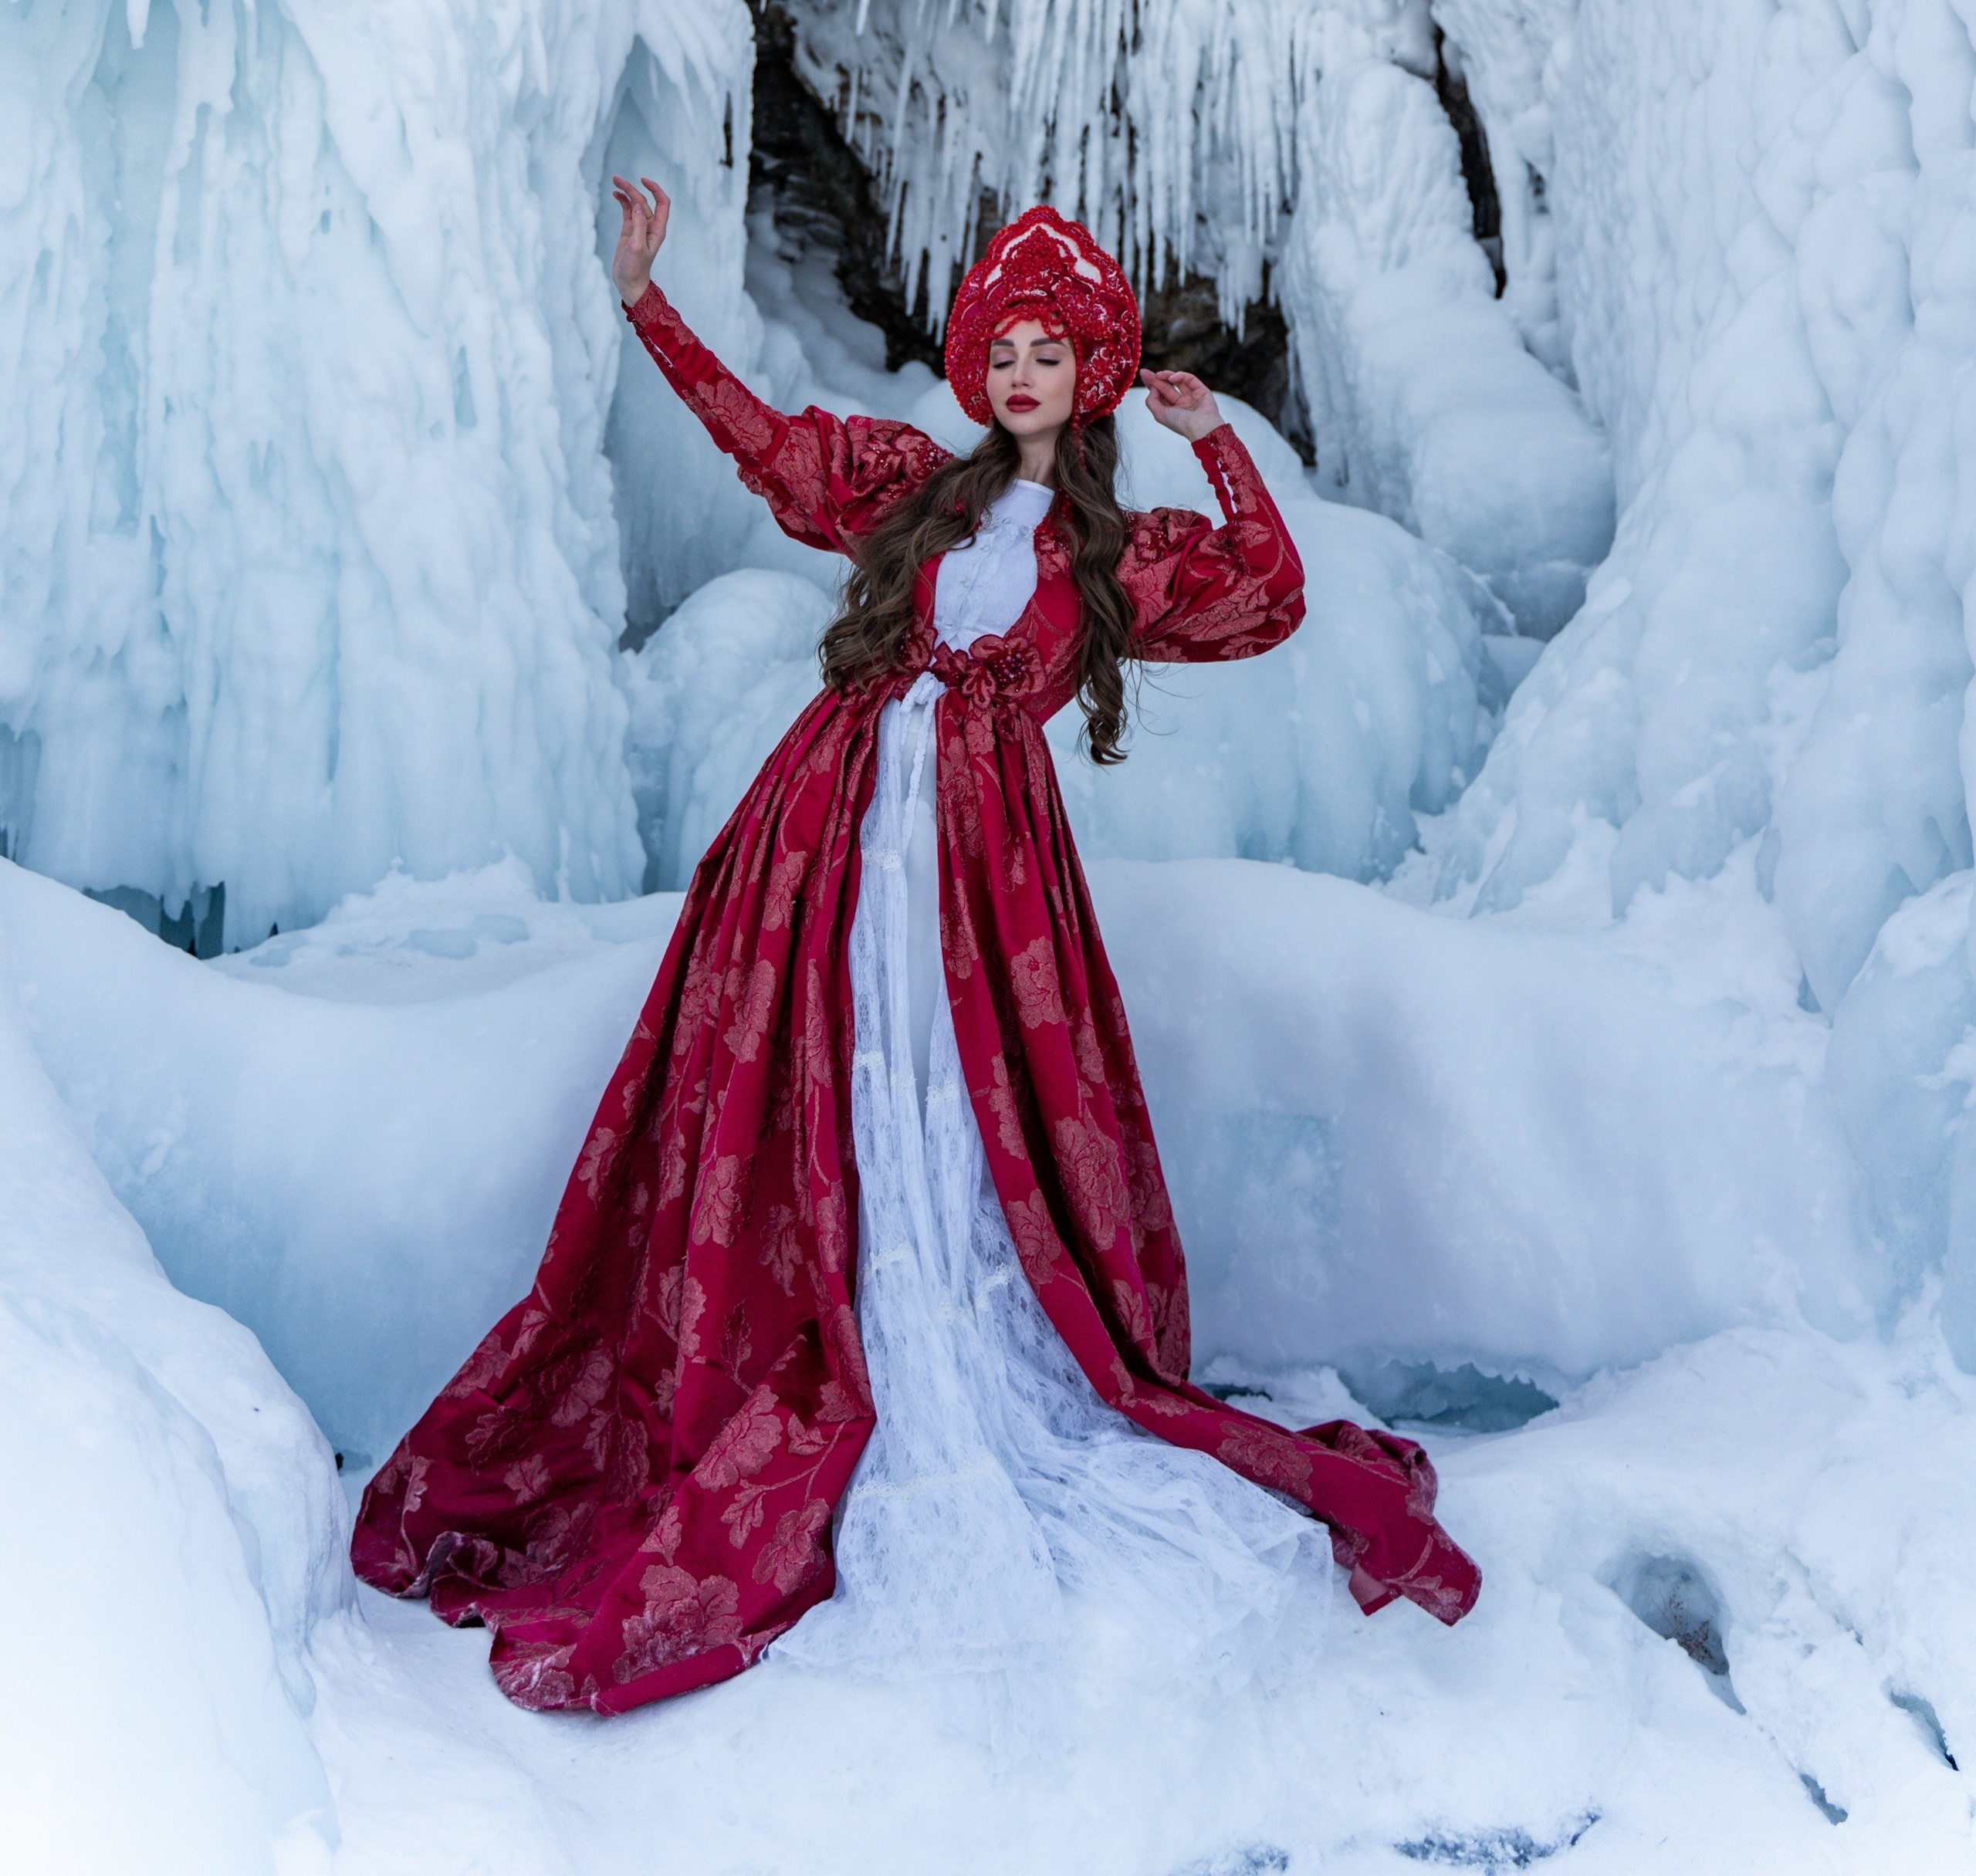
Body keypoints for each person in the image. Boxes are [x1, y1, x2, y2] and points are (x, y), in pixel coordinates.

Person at [351, 190, 1479, 1712]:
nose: (1020, 373)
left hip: (976, 873)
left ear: (1089, 375)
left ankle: (954, 1341)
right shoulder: (911, 496)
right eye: (999, 349)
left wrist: (1213, 438)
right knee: (825, 1080)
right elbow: (758, 442)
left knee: (959, 1097)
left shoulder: (1115, 550)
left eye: (1046, 351)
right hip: (820, 841)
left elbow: (1269, 597)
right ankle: (820, 1326)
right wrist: (646, 305)